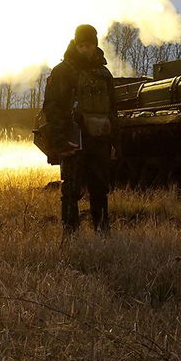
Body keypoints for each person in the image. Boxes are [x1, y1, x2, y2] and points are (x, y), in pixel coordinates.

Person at [40, 24, 119, 235]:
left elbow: (113, 110)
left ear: (95, 45)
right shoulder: (63, 71)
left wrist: (113, 142)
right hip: (74, 140)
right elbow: (53, 107)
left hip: (100, 141)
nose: (85, 49)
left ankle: (103, 234)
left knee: (100, 190)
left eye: (89, 45)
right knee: (71, 191)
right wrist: (59, 141)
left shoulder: (103, 73)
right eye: (81, 45)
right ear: (76, 44)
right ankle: (71, 237)